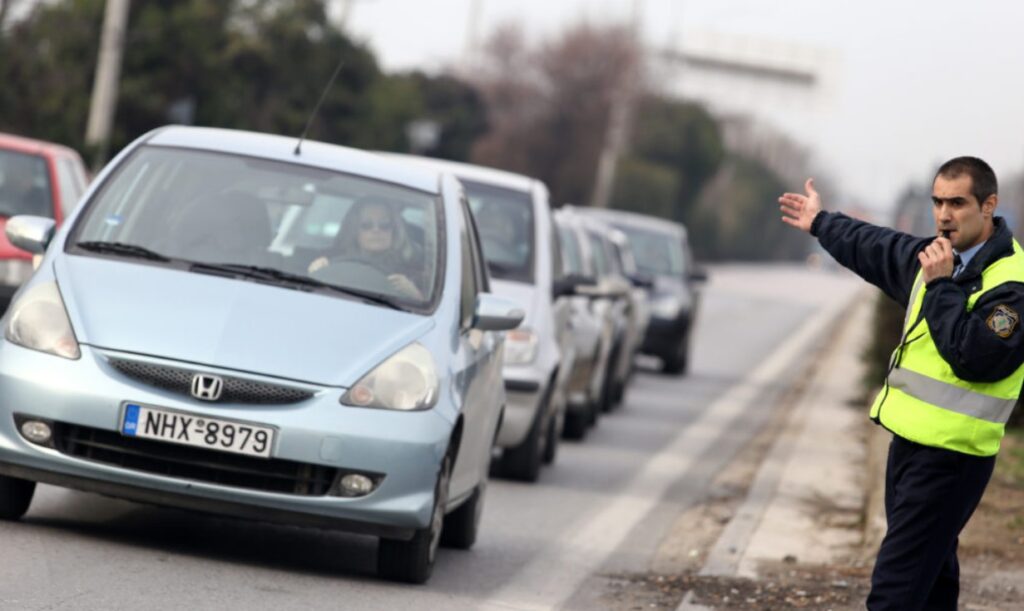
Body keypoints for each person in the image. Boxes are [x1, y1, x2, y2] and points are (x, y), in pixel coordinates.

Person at [779, 157, 1024, 610]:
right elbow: (874, 245)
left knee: (894, 593)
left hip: (952, 459)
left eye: (957, 202)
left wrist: (941, 286)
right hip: (909, 446)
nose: (944, 214)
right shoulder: (935, 259)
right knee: (930, 589)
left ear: (989, 205)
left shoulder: (1011, 285)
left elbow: (975, 357)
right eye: (937, 202)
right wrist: (820, 222)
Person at [309, 196, 423, 300]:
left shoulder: (412, 268)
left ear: (394, 231)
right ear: (354, 230)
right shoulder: (330, 259)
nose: (376, 230)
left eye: (384, 225)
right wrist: (316, 269)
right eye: (366, 225)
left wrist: (413, 293)